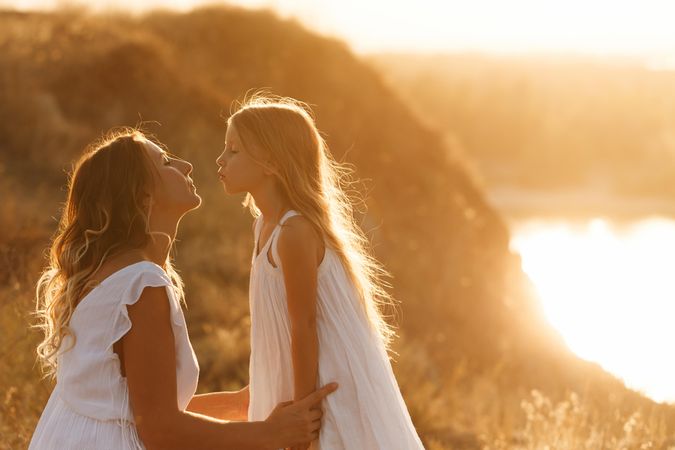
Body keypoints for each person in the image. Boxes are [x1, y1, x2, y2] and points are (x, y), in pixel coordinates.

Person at [29, 129, 337, 449]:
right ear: (142, 195)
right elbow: (161, 431)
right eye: (165, 162)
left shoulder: (107, 273)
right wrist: (272, 434)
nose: (186, 166)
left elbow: (132, 406)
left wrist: (240, 404)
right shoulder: (140, 285)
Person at [215, 95, 425, 449]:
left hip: (322, 393)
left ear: (270, 161)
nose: (220, 160)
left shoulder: (294, 232)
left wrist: (303, 420)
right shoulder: (262, 228)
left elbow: (304, 326)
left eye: (234, 150)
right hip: (293, 382)